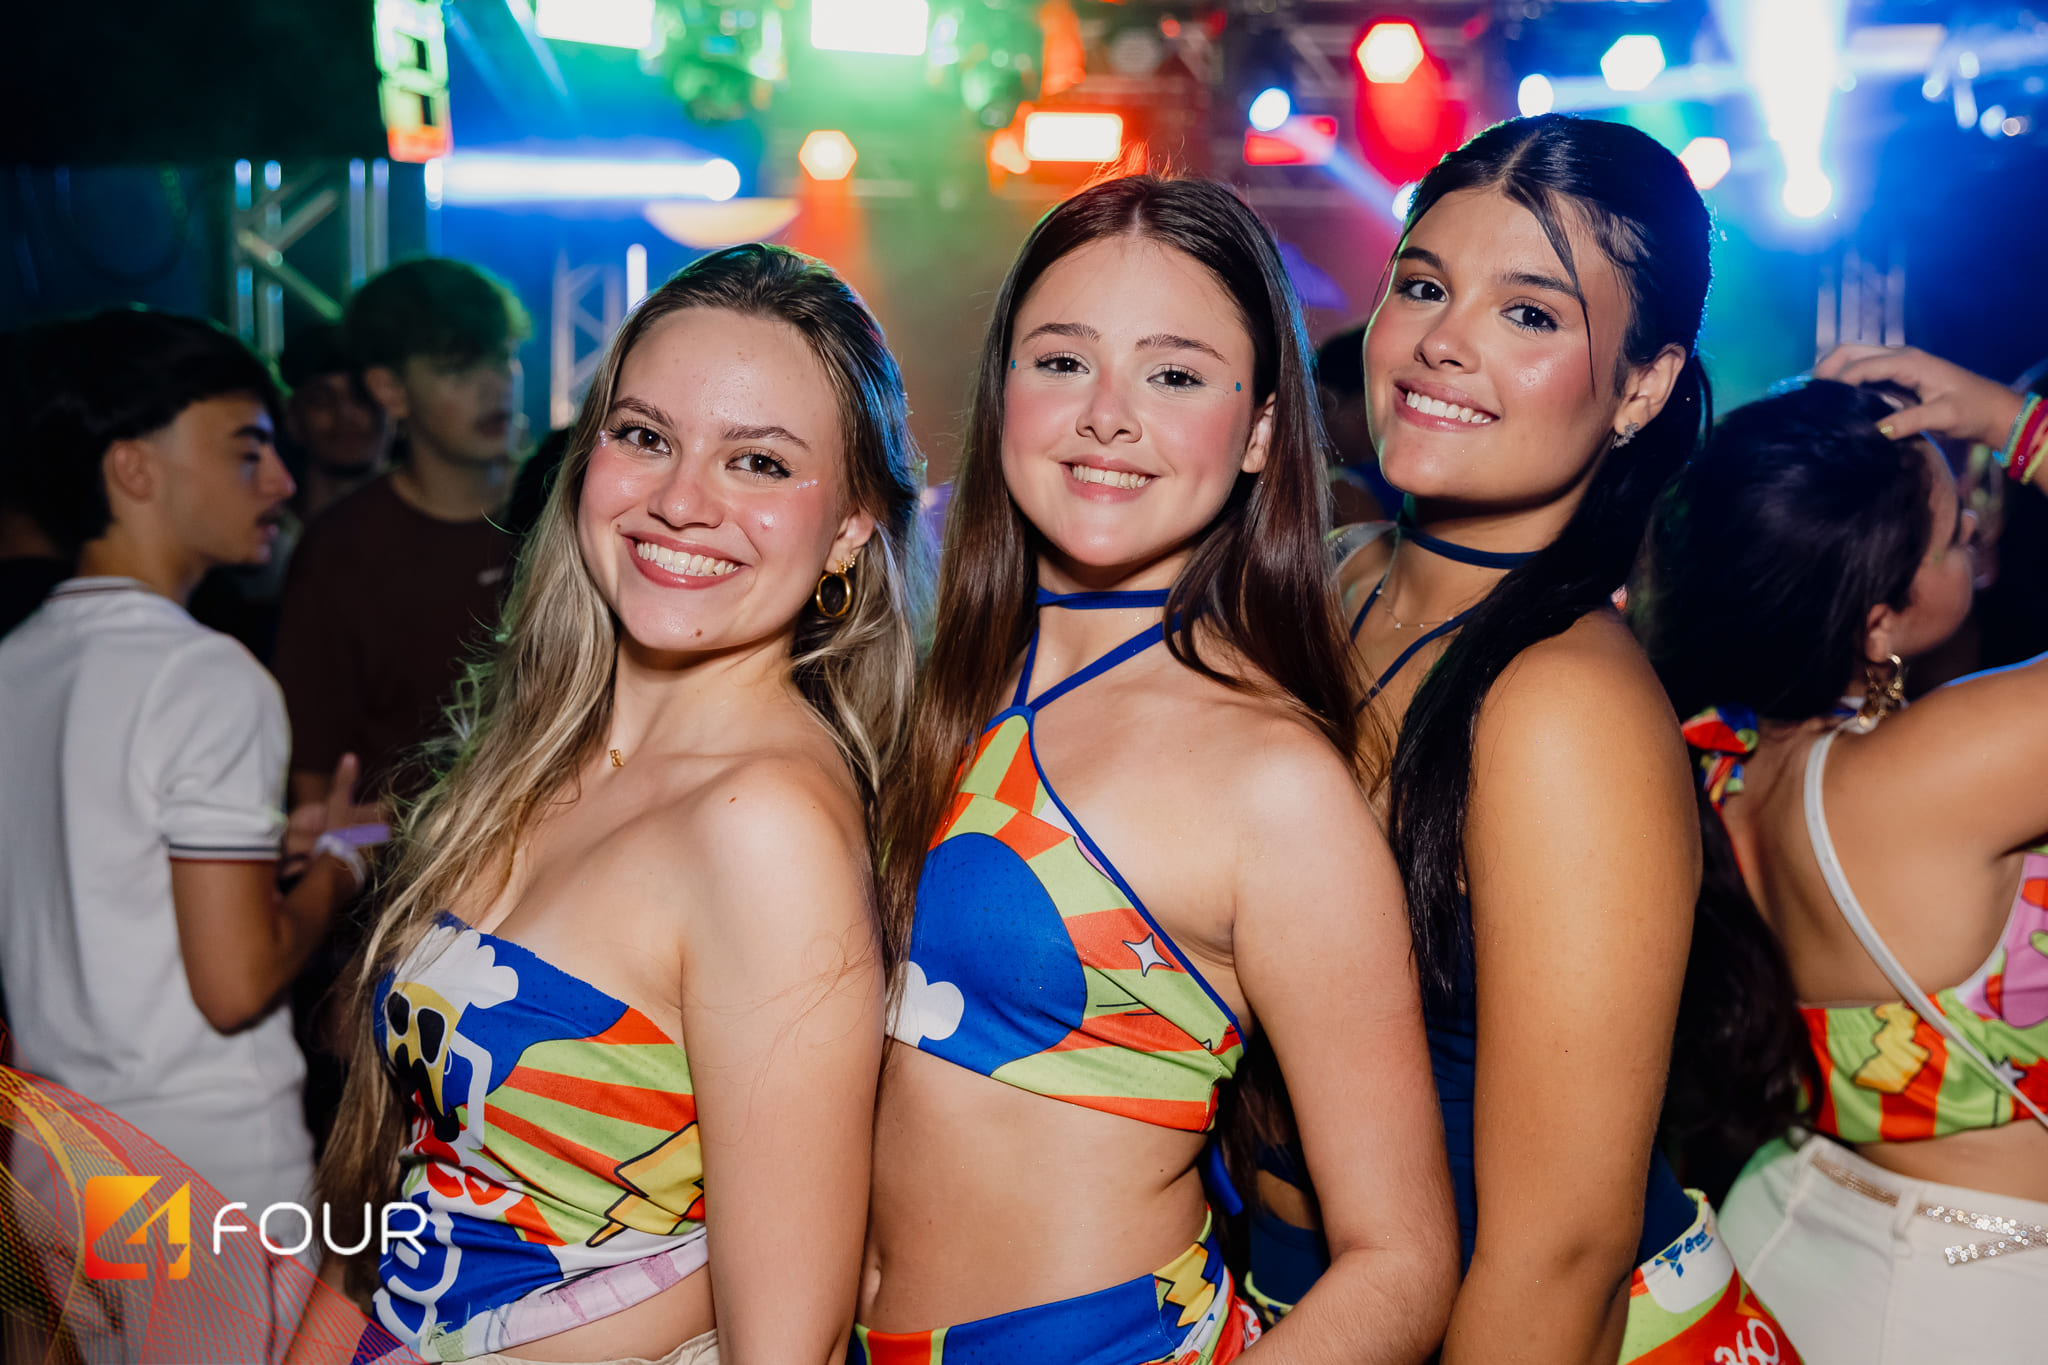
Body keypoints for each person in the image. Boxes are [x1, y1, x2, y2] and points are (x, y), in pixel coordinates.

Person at [859, 175, 1458, 1365]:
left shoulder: (1270, 782)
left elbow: (1401, 1261)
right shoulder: (931, 694)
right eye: (1061, 361)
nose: (1106, 416)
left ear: (1260, 432)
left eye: (1173, 376)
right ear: (1003, 391)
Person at [315, 244, 925, 1365]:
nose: (680, 501)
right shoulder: (539, 753)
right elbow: (410, 1189)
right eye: (644, 436)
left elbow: (782, 1347)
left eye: (758, 462)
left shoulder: (763, 830)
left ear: (851, 524)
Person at [1253, 114, 1794, 1362]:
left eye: (1529, 313)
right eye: (1421, 286)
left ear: (1641, 386)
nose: (1442, 341)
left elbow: (1559, 1256)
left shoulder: (1563, 710)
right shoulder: (1328, 581)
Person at [1631, 355, 2048, 1364]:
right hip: (1972, 1284)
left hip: (1792, 1219)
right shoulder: (1932, 771)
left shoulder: (1722, 764)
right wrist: (2013, 424)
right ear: (1877, 620)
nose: (1975, 526)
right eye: (1952, 532)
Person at [0, 308, 375, 1353]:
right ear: (133, 467)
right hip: (201, 1168)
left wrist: (261, 847)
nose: (282, 481)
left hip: (59, 1167)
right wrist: (337, 867)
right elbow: (234, 982)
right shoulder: (206, 674)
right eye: (247, 450)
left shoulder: (17, 663)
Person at [272, 257, 531, 807]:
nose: (494, 386)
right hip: (405, 855)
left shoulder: (567, 507)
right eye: (457, 369)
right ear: (388, 388)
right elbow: (314, 778)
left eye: (502, 358)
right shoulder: (343, 550)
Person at [190, 321, 396, 659]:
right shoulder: (253, 542)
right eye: (321, 400)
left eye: (362, 398)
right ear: (292, 418)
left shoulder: (424, 532)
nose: (345, 415)